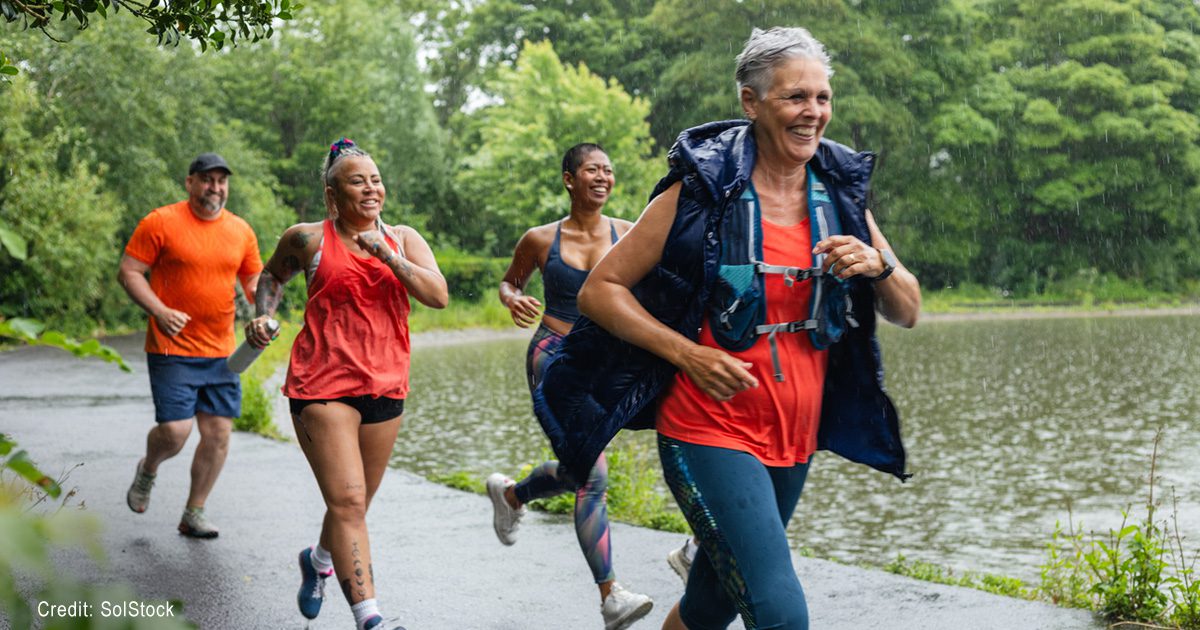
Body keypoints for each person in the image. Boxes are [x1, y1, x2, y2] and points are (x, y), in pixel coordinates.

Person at [536, 27, 921, 630]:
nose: (813, 113)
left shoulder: (838, 192)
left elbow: (908, 309)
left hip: (795, 433)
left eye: (822, 98)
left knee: (711, 604)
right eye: (796, 97)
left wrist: (880, 266)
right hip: (707, 427)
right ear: (751, 103)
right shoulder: (701, 191)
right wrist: (688, 354)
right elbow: (600, 291)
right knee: (779, 610)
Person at [244, 138, 448, 630]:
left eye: (375, 179)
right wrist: (263, 316)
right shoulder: (308, 239)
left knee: (353, 502)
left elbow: (438, 296)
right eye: (357, 181)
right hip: (321, 384)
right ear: (332, 195)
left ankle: (317, 561)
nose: (371, 188)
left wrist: (389, 256)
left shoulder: (403, 238)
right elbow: (270, 278)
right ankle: (370, 618)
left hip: (385, 386)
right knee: (350, 501)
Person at [486, 143, 653, 630]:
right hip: (554, 357)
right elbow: (510, 282)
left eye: (608, 170)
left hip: (608, 361)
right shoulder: (540, 239)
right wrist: (513, 299)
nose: (602, 177)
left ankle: (514, 495)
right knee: (593, 474)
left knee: (579, 468)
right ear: (568, 179)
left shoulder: (629, 232)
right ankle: (611, 596)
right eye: (591, 170)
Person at [119, 152, 263, 539]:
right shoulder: (160, 222)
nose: (215, 188)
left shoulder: (240, 231)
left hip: (222, 352)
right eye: (207, 180)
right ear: (190, 183)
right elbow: (129, 272)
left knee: (218, 434)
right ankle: (149, 467)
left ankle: (194, 512)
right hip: (172, 347)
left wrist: (262, 314)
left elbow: (256, 284)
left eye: (221, 181)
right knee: (175, 431)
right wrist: (160, 310)